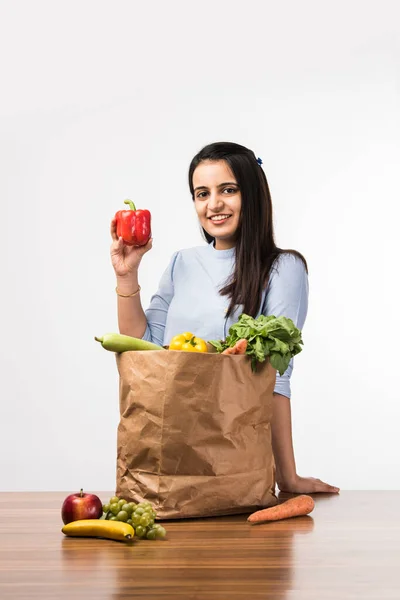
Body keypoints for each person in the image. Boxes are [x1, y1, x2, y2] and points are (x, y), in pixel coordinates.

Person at [110, 141, 340, 495]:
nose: (213, 204)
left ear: (253, 194)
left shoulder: (283, 269)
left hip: (233, 466)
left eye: (227, 190)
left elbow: (275, 379)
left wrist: (287, 477)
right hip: (171, 454)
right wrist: (127, 275)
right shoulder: (180, 263)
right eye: (202, 193)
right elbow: (145, 346)